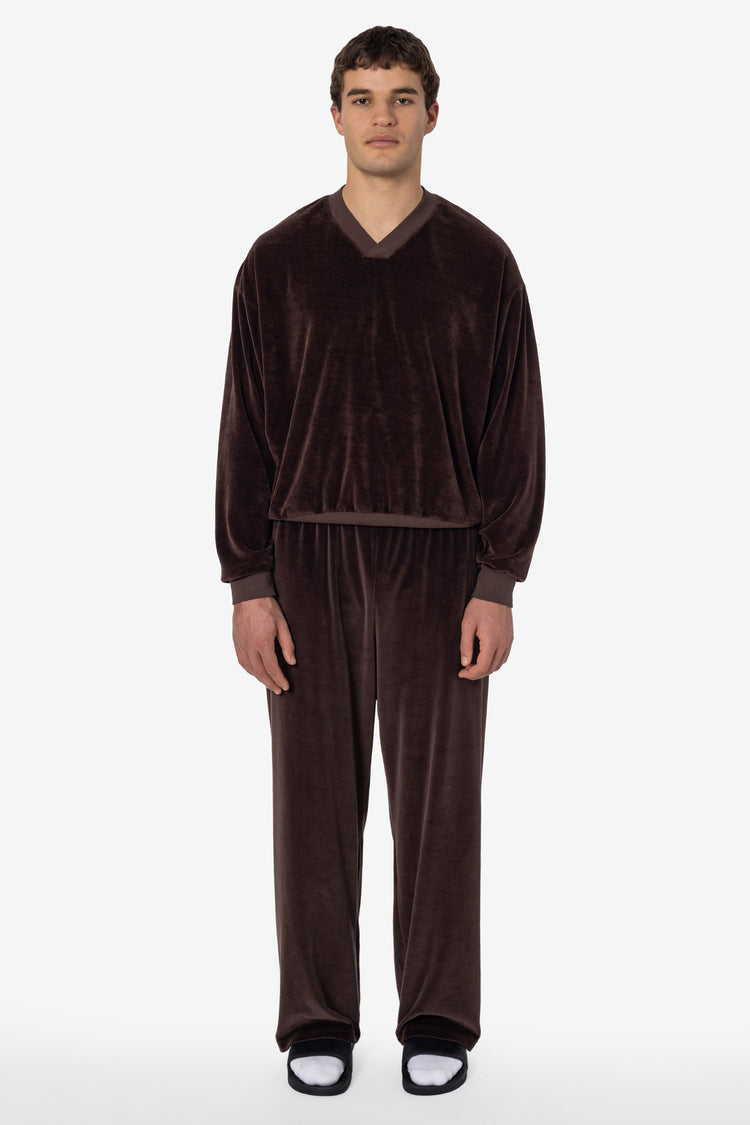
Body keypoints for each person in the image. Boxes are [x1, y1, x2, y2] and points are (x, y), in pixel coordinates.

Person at [215, 25, 545, 1097]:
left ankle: (437, 1015)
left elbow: (515, 432)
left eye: (402, 97)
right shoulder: (277, 263)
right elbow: (245, 430)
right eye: (362, 97)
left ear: (433, 114)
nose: (383, 117)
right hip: (304, 556)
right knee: (311, 805)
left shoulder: (483, 264)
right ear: (335, 115)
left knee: (441, 807)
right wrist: (249, 582)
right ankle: (318, 1018)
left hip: (443, 564)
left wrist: (497, 579)